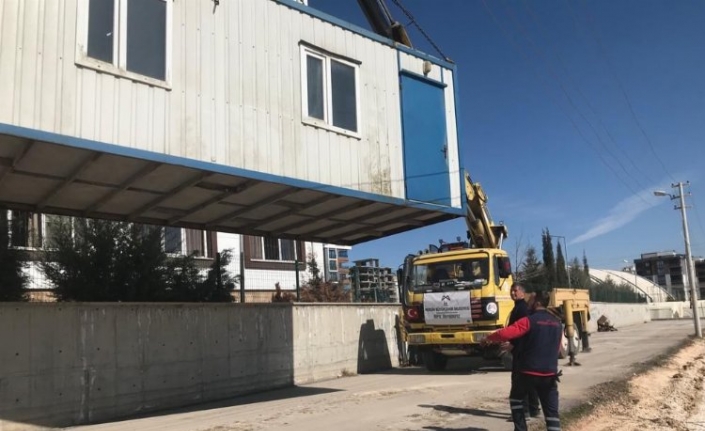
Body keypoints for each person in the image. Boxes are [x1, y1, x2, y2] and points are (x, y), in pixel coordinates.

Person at [482, 290, 562, 431]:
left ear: (537, 303)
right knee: (552, 414)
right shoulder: (557, 323)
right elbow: (557, 348)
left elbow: (506, 333)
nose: (528, 303)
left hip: (528, 372)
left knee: (516, 399)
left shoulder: (529, 321)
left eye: (530, 300)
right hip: (550, 374)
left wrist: (488, 338)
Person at [506, 283, 541, 418]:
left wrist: (513, 344)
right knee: (529, 379)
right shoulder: (519, 307)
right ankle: (534, 409)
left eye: (515, 291)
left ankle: (524, 410)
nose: (513, 293)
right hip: (525, 350)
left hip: (521, 350)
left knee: (519, 381)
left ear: (522, 292)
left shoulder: (521, 309)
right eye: (511, 291)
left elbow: (521, 330)